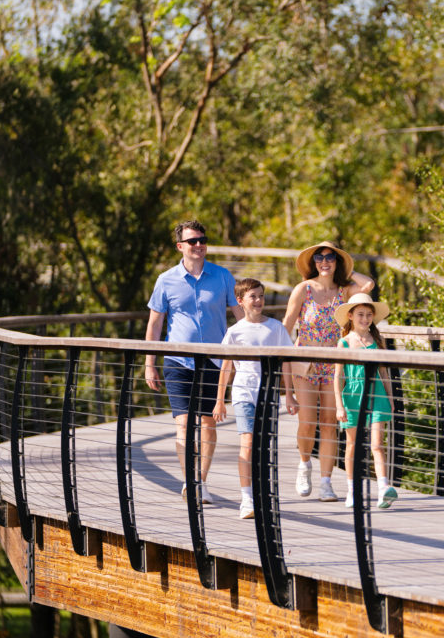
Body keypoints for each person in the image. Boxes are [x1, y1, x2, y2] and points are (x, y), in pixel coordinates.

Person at [144, 221, 244, 503]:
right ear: (180, 246)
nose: (198, 245)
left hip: (214, 361)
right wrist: (149, 363)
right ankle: (190, 480)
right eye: (192, 241)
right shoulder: (166, 280)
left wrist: (247, 352)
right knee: (184, 423)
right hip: (178, 361)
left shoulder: (223, 276)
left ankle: (201, 480)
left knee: (208, 423)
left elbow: (239, 317)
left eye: (202, 239)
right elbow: (155, 324)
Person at [282, 242, 374, 502]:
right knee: (308, 422)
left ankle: (326, 483)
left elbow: (367, 285)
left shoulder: (344, 292)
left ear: (337, 262)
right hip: (305, 364)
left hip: (334, 365)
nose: (324, 262)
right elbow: (285, 327)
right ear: (313, 263)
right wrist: (283, 373)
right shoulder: (304, 289)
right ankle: (304, 464)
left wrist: (347, 270)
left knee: (330, 425)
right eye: (319, 258)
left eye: (330, 258)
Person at [213, 278, 298, 519]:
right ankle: (247, 498)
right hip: (243, 393)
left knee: (265, 447)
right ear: (240, 301)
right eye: (253, 296)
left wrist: (289, 395)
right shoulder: (234, 331)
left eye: (261, 295)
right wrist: (220, 400)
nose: (258, 300)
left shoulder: (276, 328)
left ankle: (264, 495)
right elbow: (226, 367)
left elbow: (287, 363)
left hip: (269, 395)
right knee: (248, 445)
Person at [333, 293, 397, 509]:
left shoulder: (377, 341)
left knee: (377, 444)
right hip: (352, 396)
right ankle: (352, 490)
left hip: (376, 394)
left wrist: (390, 397)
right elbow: (338, 376)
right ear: (350, 316)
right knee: (352, 444)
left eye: (369, 314)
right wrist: (339, 405)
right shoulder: (344, 342)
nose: (365, 318)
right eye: (360, 314)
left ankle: (383, 489)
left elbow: (384, 372)